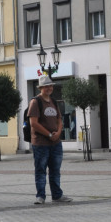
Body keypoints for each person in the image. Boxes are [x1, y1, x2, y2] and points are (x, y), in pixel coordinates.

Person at [28, 75, 71, 204]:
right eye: (46, 86)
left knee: (55, 170)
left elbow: (59, 119)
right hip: (41, 143)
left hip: (55, 143)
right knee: (41, 170)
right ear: (41, 88)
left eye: (51, 86)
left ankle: (57, 195)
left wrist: (58, 133)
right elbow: (33, 123)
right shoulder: (36, 102)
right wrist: (49, 135)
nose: (49, 88)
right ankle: (40, 196)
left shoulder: (53, 101)